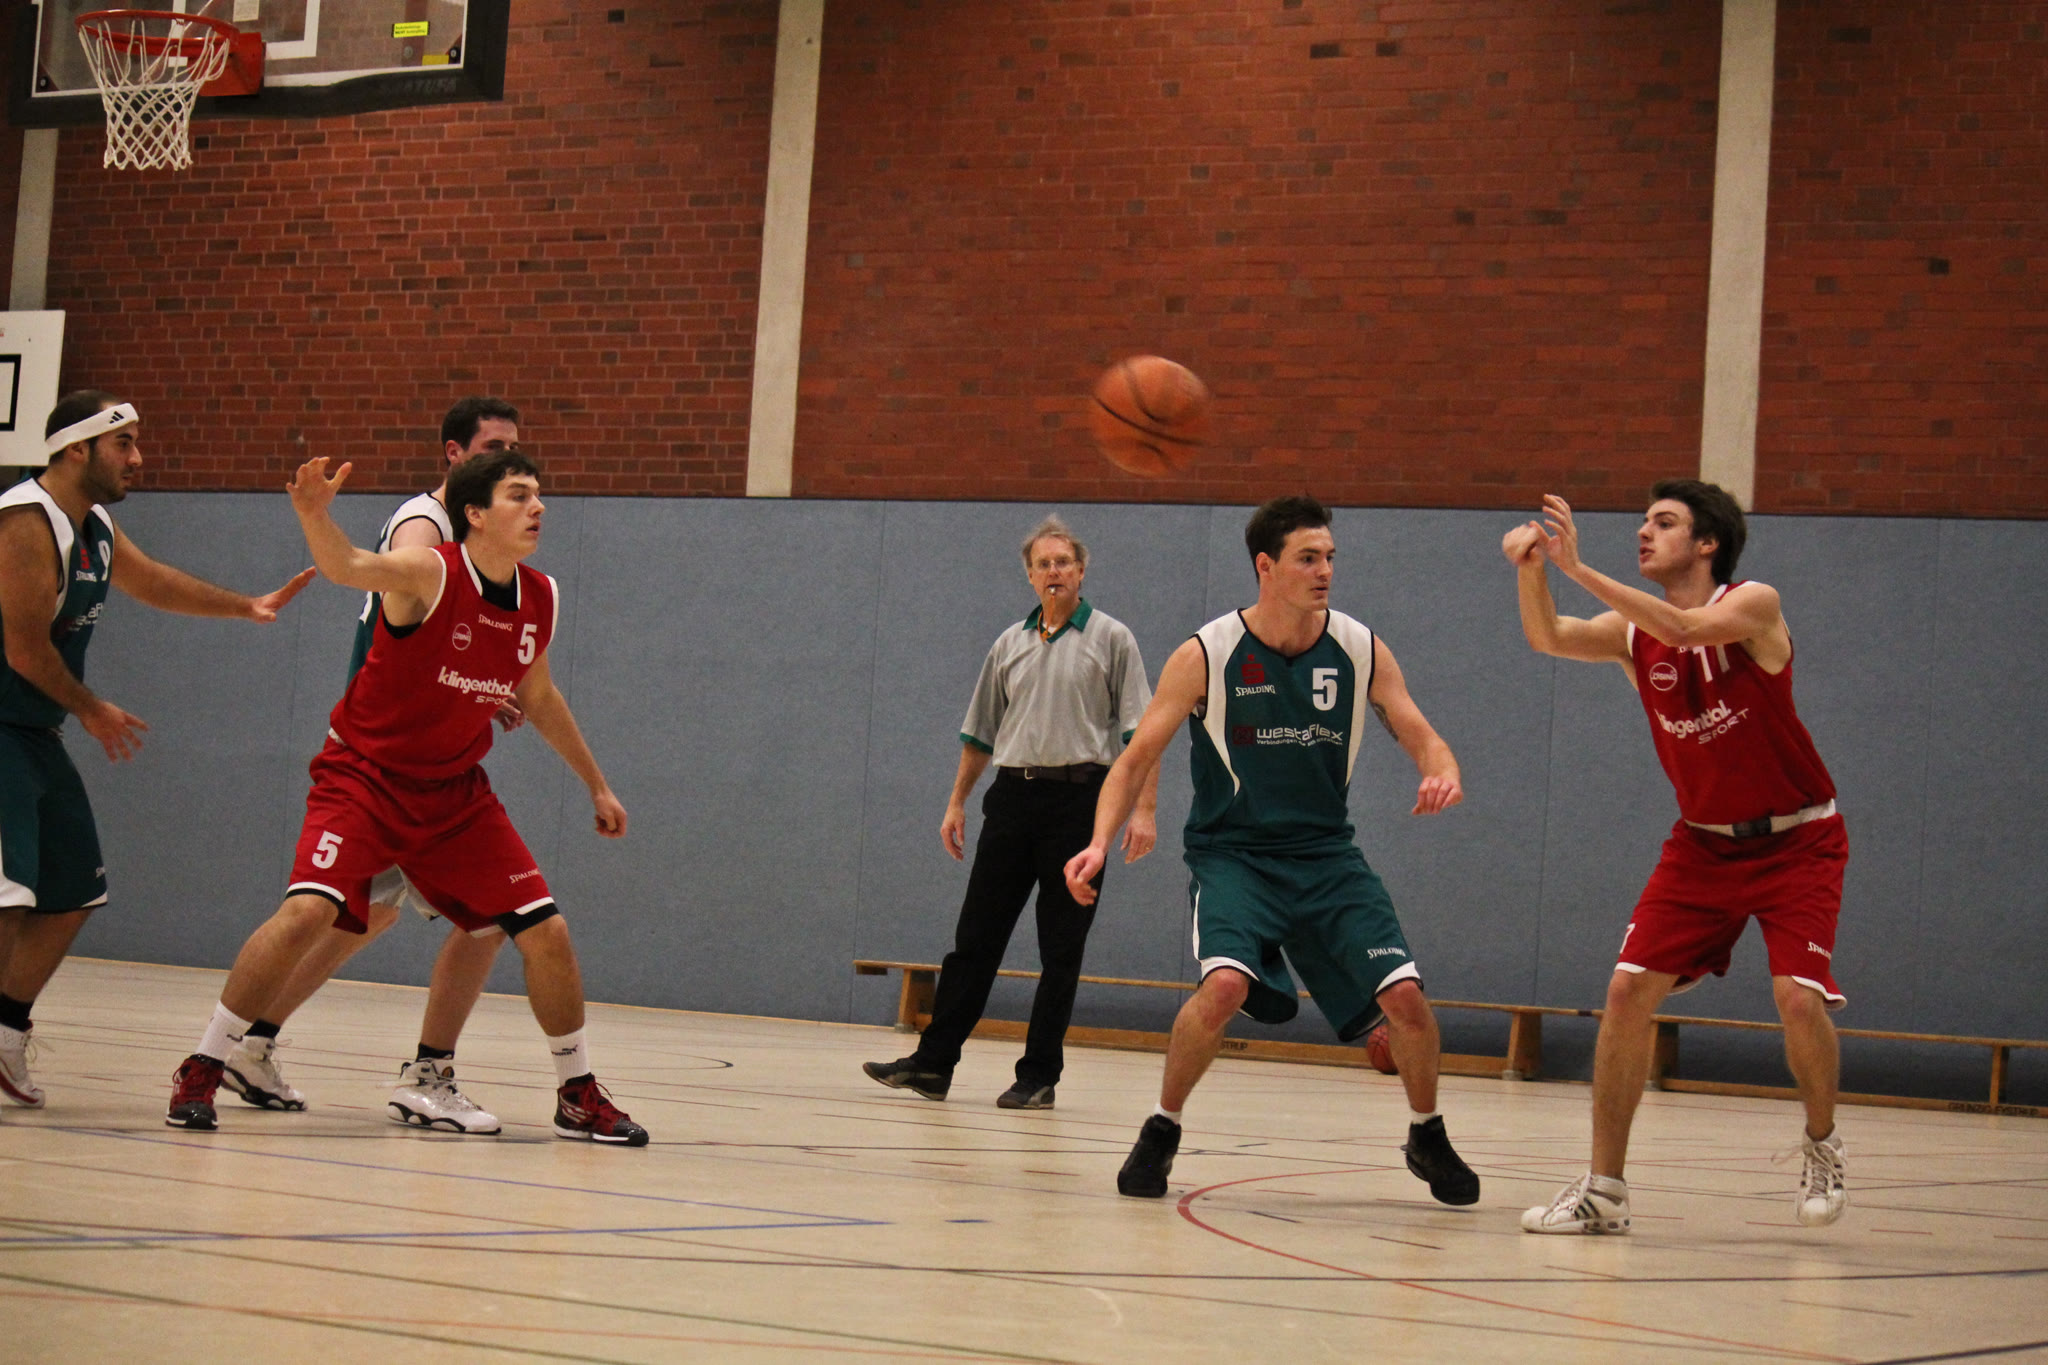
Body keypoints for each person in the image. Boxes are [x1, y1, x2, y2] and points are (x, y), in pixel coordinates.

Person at [166, 449, 647, 1146]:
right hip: (365, 776)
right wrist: (313, 514)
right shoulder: (431, 570)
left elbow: (539, 696)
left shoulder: (540, 595)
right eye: (519, 495)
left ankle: (576, 1094)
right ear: (475, 513)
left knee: (545, 929)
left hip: (453, 795)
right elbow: (347, 566)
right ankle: (205, 1063)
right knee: (309, 912)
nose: (538, 507)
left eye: (539, 494)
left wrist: (596, 783)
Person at [1065, 495, 1480, 1204]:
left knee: (1406, 997)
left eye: (1330, 557)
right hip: (1235, 856)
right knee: (1225, 986)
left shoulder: (1359, 647)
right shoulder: (1207, 653)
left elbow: (1419, 729)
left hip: (1326, 857)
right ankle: (1162, 1128)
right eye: (1307, 558)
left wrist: (1441, 769)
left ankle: (1426, 1132)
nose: (1325, 571)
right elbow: (1133, 760)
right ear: (1266, 566)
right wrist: (1099, 842)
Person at [1505, 482, 1848, 1233]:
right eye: (1643, 521)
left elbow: (1688, 628)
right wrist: (1533, 571)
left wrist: (1577, 568)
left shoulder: (1754, 603)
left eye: (1664, 523)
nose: (1644, 531)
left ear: (1707, 543)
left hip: (1799, 839)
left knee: (1797, 998)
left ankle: (1822, 1141)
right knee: (1627, 992)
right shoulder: (1633, 634)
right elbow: (1550, 637)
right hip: (1703, 845)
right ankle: (1605, 1191)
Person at [220, 398, 525, 1136]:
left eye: (515, 448)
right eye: (493, 447)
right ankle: (422, 1074)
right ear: (455, 454)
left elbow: (443, 645)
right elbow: (390, 614)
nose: (508, 460)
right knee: (479, 915)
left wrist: (483, 689)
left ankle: (247, 1046)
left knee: (366, 914)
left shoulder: (476, 540)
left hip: (415, 750)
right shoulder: (427, 524)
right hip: (387, 755)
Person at [0, 391, 312, 1109]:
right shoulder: (24, 521)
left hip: (35, 733)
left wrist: (246, 605)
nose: (138, 458)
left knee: (75, 891)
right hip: (3, 730)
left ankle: (6, 1029)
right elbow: (24, 649)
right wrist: (93, 708)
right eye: (125, 443)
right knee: (8, 898)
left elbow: (152, 582)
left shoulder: (96, 526)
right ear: (76, 448)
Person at [863, 516, 1157, 1110]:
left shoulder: (1112, 639)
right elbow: (979, 735)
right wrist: (956, 802)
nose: (1054, 572)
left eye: (1063, 562)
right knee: (974, 939)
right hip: (1011, 801)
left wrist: (1143, 810)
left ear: (1081, 571)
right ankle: (933, 1064)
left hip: (1079, 804)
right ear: (1029, 576)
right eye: (1043, 564)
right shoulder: (1009, 644)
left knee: (1060, 948)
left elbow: (1142, 737)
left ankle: (1039, 1074)